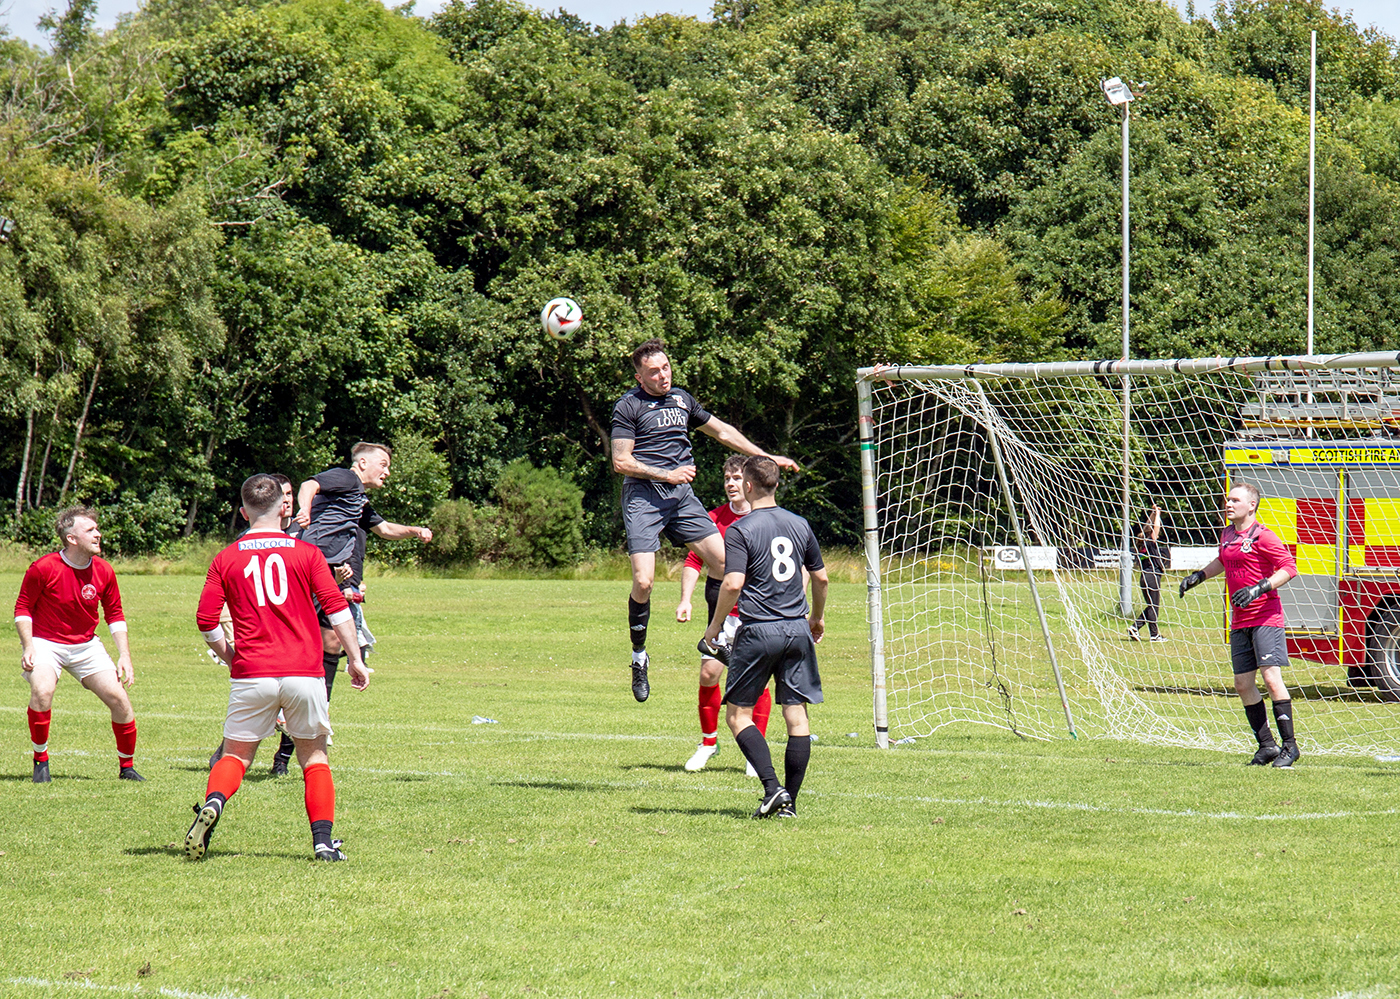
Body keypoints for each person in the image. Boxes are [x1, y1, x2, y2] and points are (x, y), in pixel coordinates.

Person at [186, 473, 369, 862]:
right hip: (304, 671)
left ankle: (214, 802)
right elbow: (337, 608)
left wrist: (231, 655)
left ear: (243, 512)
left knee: (235, 756)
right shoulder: (307, 553)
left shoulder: (226, 557)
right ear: (283, 508)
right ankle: (322, 843)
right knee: (314, 757)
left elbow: (205, 620)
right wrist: (354, 658)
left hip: (253, 673)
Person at [611, 339, 798, 702]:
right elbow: (621, 461)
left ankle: (715, 637)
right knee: (644, 581)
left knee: (725, 561)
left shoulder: (682, 399)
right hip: (644, 497)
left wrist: (766, 456)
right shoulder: (628, 406)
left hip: (681, 497)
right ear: (639, 377)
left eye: (666, 368)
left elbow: (722, 432)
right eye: (654, 372)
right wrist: (668, 475)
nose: (663, 376)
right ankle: (638, 657)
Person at [287, 441, 432, 770]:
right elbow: (310, 484)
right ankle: (289, 711)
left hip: (325, 575)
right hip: (309, 567)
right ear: (363, 463)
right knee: (300, 642)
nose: (387, 470)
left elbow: (384, 530)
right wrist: (305, 510)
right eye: (383, 463)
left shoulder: (358, 501)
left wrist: (415, 530)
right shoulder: (347, 479)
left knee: (331, 641)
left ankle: (308, 717)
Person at [702, 456, 828, 818]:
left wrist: (714, 627)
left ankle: (773, 789)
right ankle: (790, 804)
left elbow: (734, 582)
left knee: (738, 715)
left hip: (759, 630)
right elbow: (820, 578)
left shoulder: (742, 529)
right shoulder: (801, 524)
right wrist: (815, 618)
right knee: (797, 716)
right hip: (796, 628)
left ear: (749, 486)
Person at [14, 506, 142, 783]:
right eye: (90, 530)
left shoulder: (104, 571)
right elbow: (23, 608)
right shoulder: (43, 568)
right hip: (46, 642)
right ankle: (41, 760)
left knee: (119, 700)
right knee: (43, 691)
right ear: (72, 538)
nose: (98, 534)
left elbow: (115, 615)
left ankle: (127, 768)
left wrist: (125, 656)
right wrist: (29, 646)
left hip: (86, 646)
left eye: (97, 529)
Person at [1179, 481, 1301, 767]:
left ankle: (1290, 747)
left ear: (1251, 505)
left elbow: (1289, 567)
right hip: (1240, 621)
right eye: (1228, 500)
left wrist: (1259, 588)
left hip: (1266, 618)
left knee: (1271, 679)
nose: (1229, 504)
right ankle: (1267, 746)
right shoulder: (1228, 534)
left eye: (1235, 500)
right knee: (1243, 683)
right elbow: (1223, 559)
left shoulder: (1264, 536)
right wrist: (1199, 576)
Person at [676, 455, 772, 772]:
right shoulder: (712, 518)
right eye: (726, 478)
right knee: (708, 674)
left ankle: (752, 753)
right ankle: (708, 743)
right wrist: (685, 599)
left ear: (749, 482)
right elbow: (693, 560)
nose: (730, 484)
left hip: (756, 614)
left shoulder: (764, 519)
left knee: (756, 683)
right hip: (722, 613)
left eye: (735, 478)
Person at [208, 474, 298, 769]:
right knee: (314, 754)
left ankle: (226, 773)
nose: (286, 500)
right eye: (282, 495)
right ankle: (229, 754)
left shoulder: (301, 536)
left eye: (290, 495)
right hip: (256, 632)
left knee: (260, 694)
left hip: (285, 639)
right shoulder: (245, 546)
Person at [1127, 504, 1167, 642]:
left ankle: (1140, 630)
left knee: (1151, 606)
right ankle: (1150, 633)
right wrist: (1158, 515)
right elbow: (1156, 528)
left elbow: (1148, 527)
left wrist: (1152, 514)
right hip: (1152, 576)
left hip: (1144, 577)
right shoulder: (1150, 541)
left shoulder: (1140, 542)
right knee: (1153, 606)